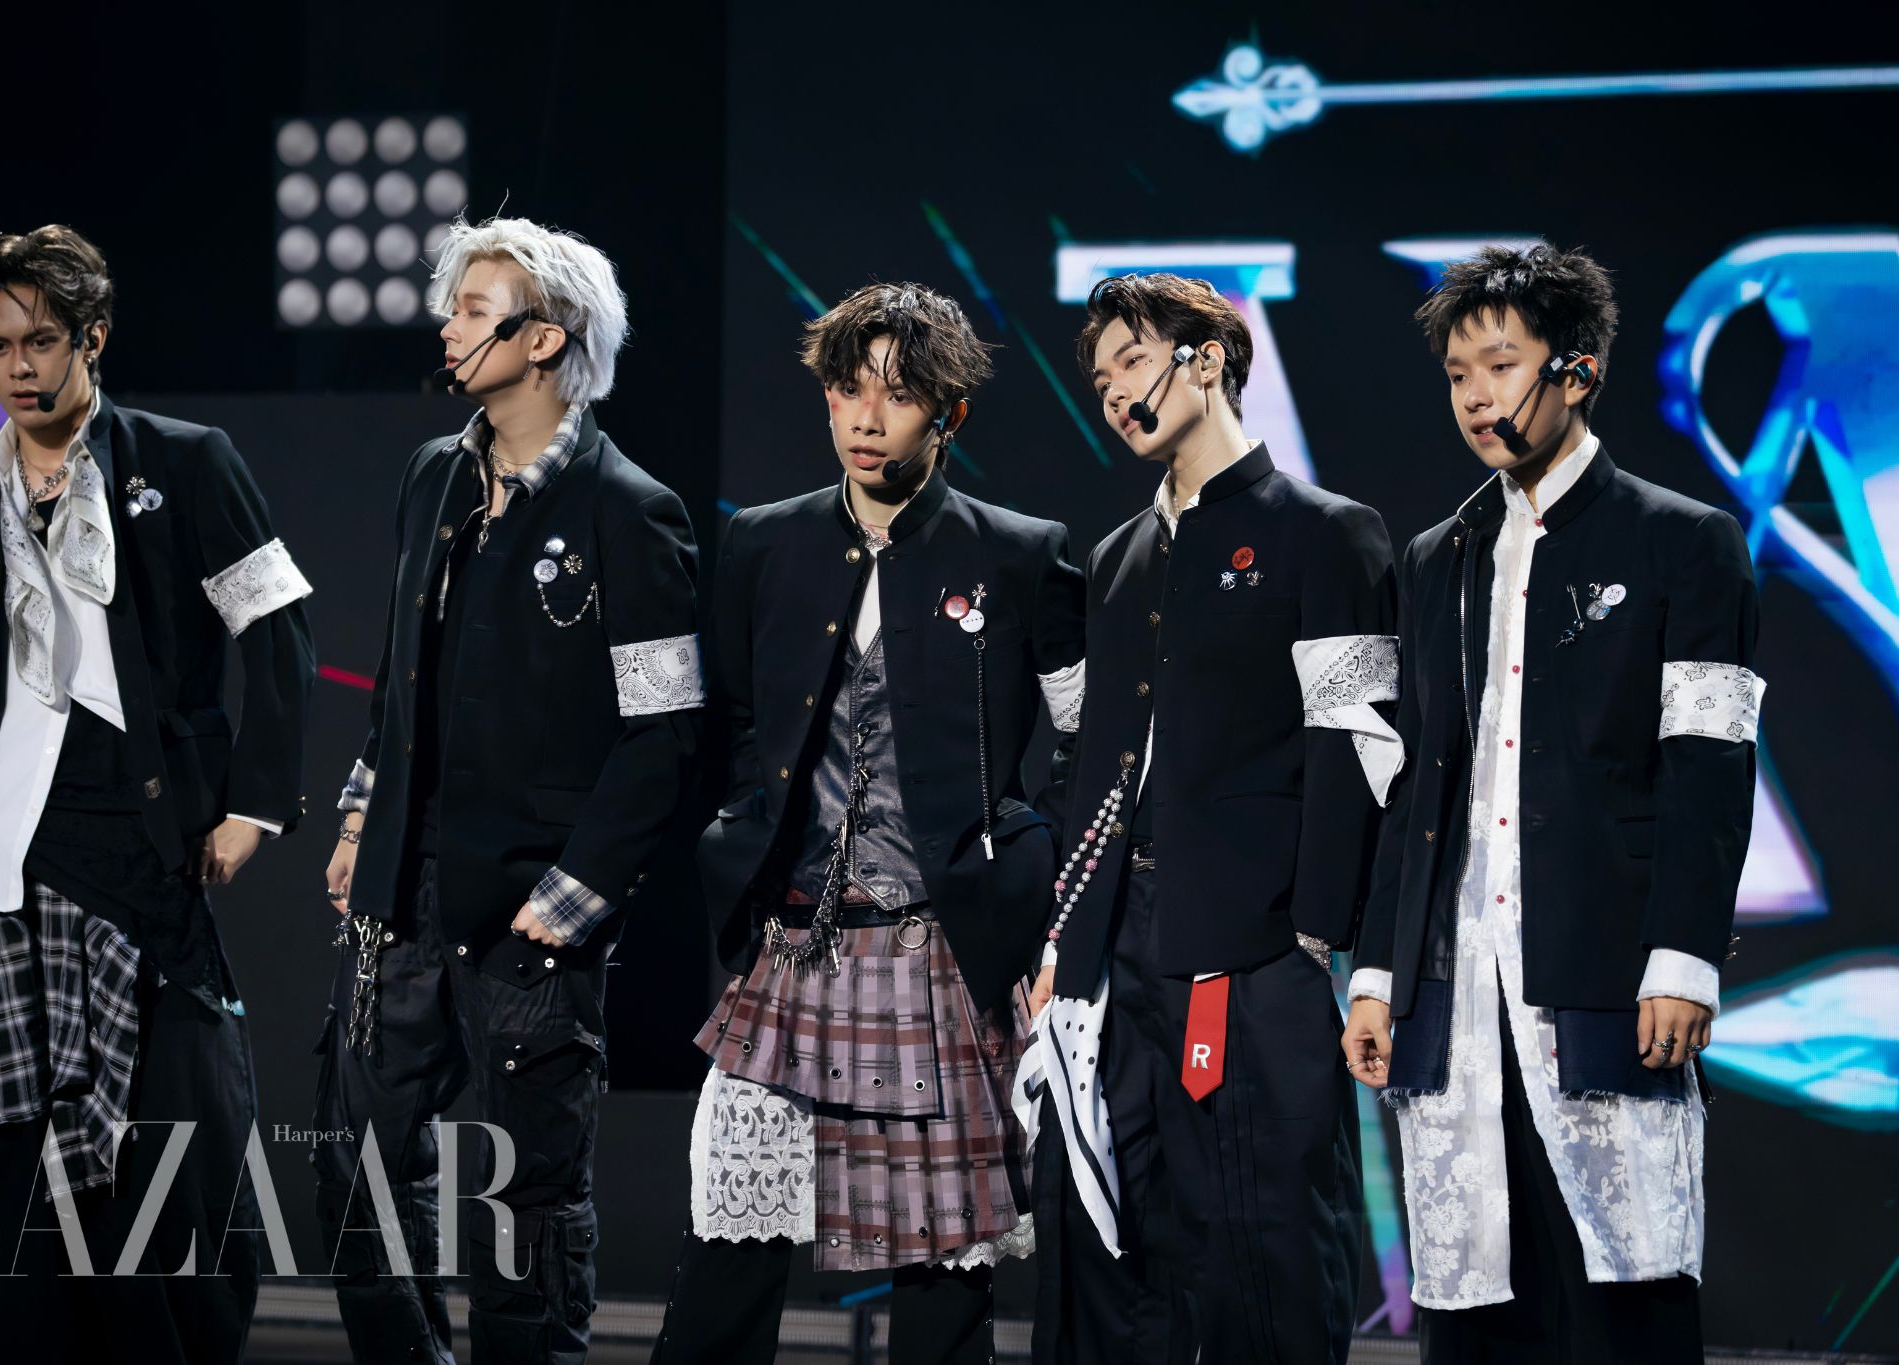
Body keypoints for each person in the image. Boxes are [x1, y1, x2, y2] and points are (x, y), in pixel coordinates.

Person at [0, 224, 315, 1362]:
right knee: (6, 1183)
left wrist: (255, 805)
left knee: (156, 1166)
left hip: (138, 854)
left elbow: (278, 628)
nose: (18, 367)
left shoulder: (186, 463)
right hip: (1, 871)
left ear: (92, 339)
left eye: (42, 341)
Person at [651, 282, 1085, 1365]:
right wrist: (744, 841)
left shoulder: (1021, 554)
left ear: (948, 413)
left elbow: (1084, 742)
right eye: (848, 390)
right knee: (729, 1253)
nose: (866, 417)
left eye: (896, 395)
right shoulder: (764, 543)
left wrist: (1033, 882)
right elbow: (733, 720)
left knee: (940, 1276)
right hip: (796, 943)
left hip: (942, 952)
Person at [1341, 242, 1757, 1364]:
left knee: (1625, 1292)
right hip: (1453, 988)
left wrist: (1682, 957)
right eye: (1457, 375)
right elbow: (1413, 783)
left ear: (1577, 371)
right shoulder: (1436, 557)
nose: (1476, 397)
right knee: (1475, 1303)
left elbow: (1709, 769)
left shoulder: (1682, 541)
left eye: (1501, 366)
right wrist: (1376, 973)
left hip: (1603, 975)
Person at [315, 216, 703, 1364]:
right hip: (402, 889)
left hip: (531, 913)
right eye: (454, 308)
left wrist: (572, 895)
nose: (448, 329)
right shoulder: (432, 476)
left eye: (474, 311)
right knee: (355, 1172)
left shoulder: (629, 509)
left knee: (528, 1202)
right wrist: (360, 816)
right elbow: (403, 677)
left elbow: (663, 732)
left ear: (545, 337)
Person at [1025, 272, 1393, 1363]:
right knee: (1117, 1244)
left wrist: (1314, 933)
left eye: (1133, 361)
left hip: (1256, 950)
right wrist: (1064, 936)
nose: (1115, 393)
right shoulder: (1117, 557)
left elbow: (1359, 749)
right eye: (1099, 380)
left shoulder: (1327, 534)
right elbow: (1090, 764)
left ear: (1209, 358)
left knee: (1262, 1243)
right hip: (1118, 950)